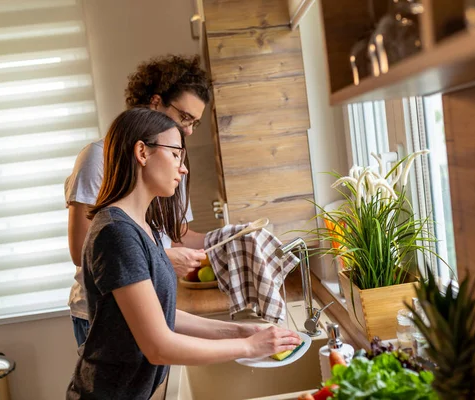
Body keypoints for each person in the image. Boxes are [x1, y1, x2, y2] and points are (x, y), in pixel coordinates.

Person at [66, 108, 301, 399]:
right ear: (142, 152)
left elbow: (162, 315)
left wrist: (241, 331)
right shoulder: (117, 233)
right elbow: (159, 346)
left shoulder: (140, 226)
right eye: (176, 154)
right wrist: (250, 347)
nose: (183, 168)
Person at [64, 55, 211, 346]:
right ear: (156, 102)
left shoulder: (173, 162)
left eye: (195, 123)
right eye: (185, 118)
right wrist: (164, 258)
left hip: (152, 302)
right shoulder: (99, 158)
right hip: (103, 311)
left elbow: (176, 236)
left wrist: (230, 239)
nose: (189, 131)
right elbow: (83, 249)